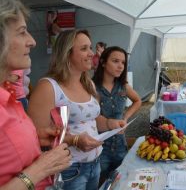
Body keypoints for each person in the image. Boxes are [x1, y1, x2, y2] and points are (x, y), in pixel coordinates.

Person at [28, 30, 124, 190]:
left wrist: (110, 123)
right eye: (84, 48)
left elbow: (92, 119)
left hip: (95, 162)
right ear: (67, 53)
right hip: (68, 168)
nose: (92, 53)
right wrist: (74, 140)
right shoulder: (48, 87)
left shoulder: (88, 84)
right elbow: (35, 135)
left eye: (90, 47)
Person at [0, 0, 71, 190]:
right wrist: (40, 169)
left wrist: (34, 137)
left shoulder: (8, 94)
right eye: (22, 32)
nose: (32, 41)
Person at [92, 46, 142, 184]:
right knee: (101, 184)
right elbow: (93, 118)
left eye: (123, 62)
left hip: (120, 145)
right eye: (115, 61)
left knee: (120, 182)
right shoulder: (92, 87)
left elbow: (138, 101)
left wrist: (125, 118)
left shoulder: (123, 86)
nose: (120, 66)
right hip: (99, 147)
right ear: (103, 62)